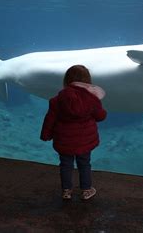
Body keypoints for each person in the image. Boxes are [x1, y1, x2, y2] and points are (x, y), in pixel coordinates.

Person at [40, 65, 107, 200]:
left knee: (65, 165)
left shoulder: (57, 100)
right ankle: (86, 190)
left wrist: (46, 134)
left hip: (64, 141)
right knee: (84, 164)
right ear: (88, 81)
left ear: (66, 80)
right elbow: (100, 116)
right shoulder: (92, 100)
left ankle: (66, 191)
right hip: (84, 141)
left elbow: (50, 119)